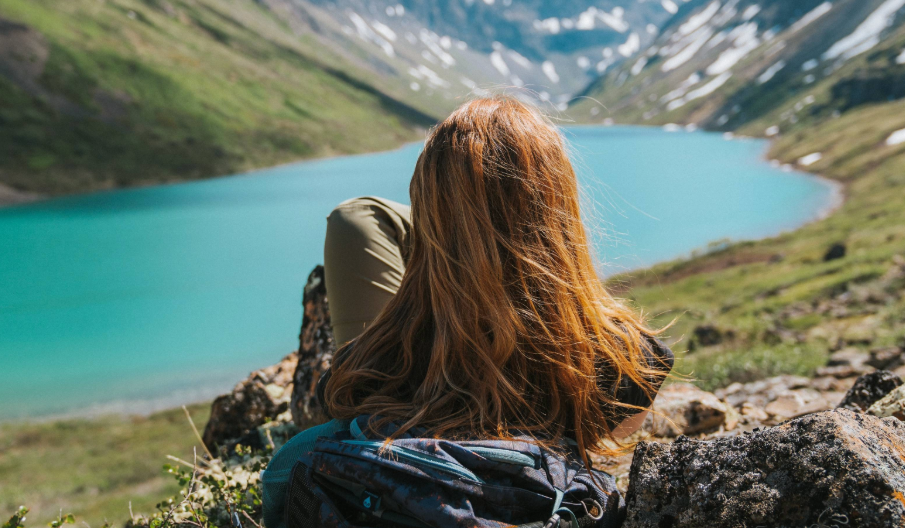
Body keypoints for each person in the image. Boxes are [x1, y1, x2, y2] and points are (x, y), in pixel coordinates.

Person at [262, 97, 672, 525]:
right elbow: (621, 426)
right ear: (561, 204)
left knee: (289, 463)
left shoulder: (388, 350)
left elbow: (341, 400)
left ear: (427, 213)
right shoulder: (629, 358)